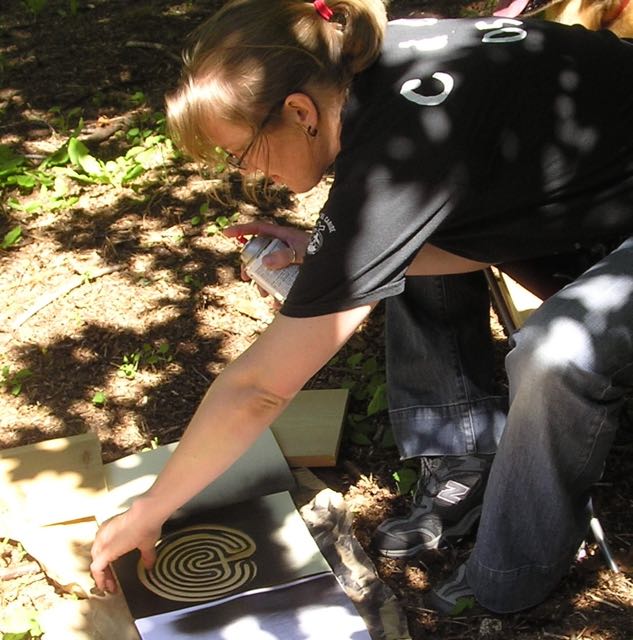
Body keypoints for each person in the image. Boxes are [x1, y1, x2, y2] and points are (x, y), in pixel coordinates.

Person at [90, 0, 633, 615]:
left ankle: (511, 576)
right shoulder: (363, 62)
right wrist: (335, 261)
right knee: (390, 253)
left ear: (299, 112)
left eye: (242, 154)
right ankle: (466, 457)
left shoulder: (399, 147)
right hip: (597, 192)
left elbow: (260, 391)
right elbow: (438, 212)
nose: (251, 174)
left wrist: (152, 509)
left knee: (557, 354)